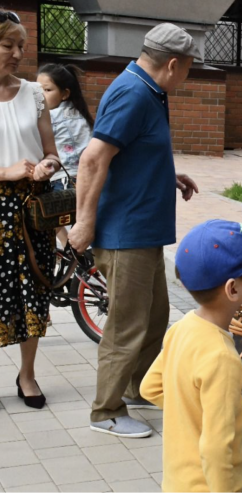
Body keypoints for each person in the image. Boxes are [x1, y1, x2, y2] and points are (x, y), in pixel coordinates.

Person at [68, 23, 200, 438]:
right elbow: (93, 159)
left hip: (143, 232)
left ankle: (136, 388)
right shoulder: (133, 93)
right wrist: (84, 221)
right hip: (126, 234)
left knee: (154, 317)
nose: (189, 75)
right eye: (189, 67)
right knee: (127, 326)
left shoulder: (148, 90)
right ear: (173, 64)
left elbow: (130, 152)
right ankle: (106, 412)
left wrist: (165, 175)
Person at [141, 220, 242, 493]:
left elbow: (149, 387)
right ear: (233, 289)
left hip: (176, 483)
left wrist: (192, 414)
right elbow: (216, 448)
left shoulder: (182, 328)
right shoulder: (223, 357)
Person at [0, 9, 62, 409]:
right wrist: (4, 172)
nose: (18, 54)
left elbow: (52, 152)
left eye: (21, 46)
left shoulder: (33, 94)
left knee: (34, 289)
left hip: (31, 208)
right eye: (8, 45)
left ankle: (27, 374)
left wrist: (45, 166)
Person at [36, 63, 94, 247]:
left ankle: (69, 248)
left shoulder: (50, 116)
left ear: (64, 94)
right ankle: (77, 252)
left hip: (63, 178)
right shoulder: (80, 113)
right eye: (37, 90)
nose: (40, 95)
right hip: (86, 178)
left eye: (47, 90)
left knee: (46, 213)